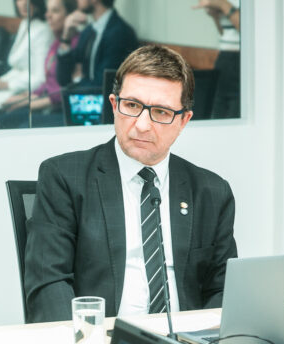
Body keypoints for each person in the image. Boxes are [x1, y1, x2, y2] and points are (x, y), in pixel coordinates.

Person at [24, 44, 238, 322]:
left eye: (161, 112)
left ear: (184, 120)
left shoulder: (211, 192)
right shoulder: (65, 177)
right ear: (114, 105)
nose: (142, 125)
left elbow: (222, 290)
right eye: (132, 106)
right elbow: (48, 284)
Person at [0, 0, 78, 129]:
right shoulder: (56, 44)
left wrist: (26, 102)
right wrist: (23, 97)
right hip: (44, 100)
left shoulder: (75, 43)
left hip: (60, 108)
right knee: (1, 118)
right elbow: (46, 84)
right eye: (48, 11)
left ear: (69, 15)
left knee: (13, 123)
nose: (48, 15)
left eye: (55, 11)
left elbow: (65, 90)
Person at [55, 0, 137, 89]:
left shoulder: (120, 33)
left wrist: (76, 80)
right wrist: (66, 38)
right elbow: (63, 79)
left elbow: (103, 85)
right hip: (84, 98)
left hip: (106, 100)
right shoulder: (88, 31)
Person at [0, 0, 53, 110]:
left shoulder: (43, 30)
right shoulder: (25, 23)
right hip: (10, 83)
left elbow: (40, 78)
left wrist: (8, 85)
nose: (24, 3)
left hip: (25, 91)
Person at [193, 0, 240, 118]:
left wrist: (223, 5)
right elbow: (224, 33)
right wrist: (215, 16)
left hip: (241, 58)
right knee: (219, 111)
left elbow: (249, 30)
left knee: (235, 113)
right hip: (224, 57)